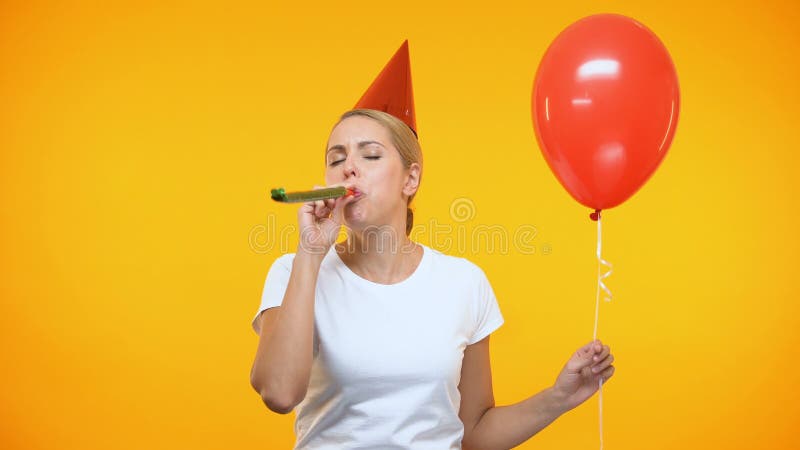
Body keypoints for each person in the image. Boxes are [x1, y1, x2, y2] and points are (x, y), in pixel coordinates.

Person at [249, 108, 616, 449]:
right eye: (336, 158)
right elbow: (278, 393)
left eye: (371, 155)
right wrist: (311, 255)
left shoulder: (465, 283)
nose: (349, 169)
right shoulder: (293, 270)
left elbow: (472, 432)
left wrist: (559, 397)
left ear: (411, 179)